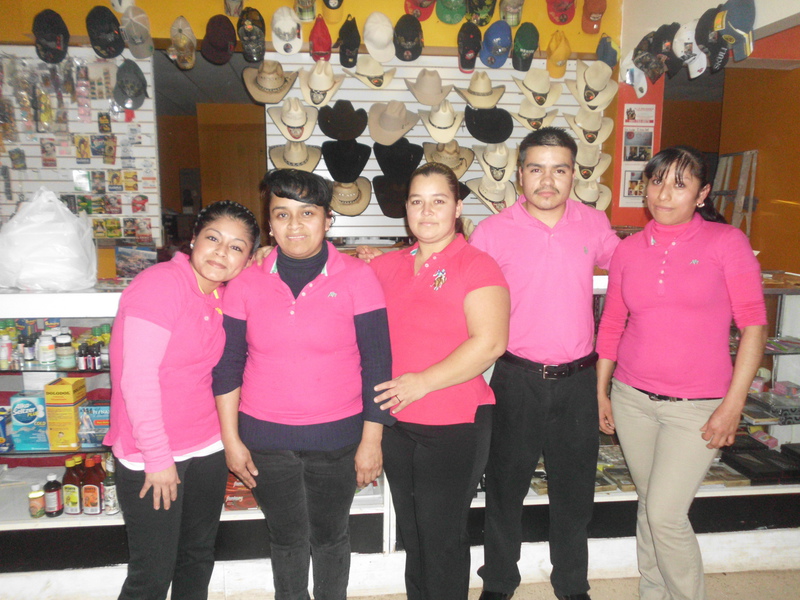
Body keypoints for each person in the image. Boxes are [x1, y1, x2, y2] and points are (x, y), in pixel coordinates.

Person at [212, 168, 395, 600]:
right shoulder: (245, 281)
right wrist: (231, 441)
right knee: (286, 539)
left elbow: (378, 364)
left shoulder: (358, 277)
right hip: (266, 441)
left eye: (307, 213)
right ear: (270, 223)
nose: (294, 225)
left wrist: (372, 441)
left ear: (328, 219)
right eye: (282, 214)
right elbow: (228, 365)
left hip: (338, 439)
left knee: (331, 537)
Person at [595, 146, 767, 600]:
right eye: (656, 182)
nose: (664, 194)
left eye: (679, 184)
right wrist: (602, 391)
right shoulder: (628, 250)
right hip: (632, 399)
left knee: (665, 514)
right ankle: (653, 592)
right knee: (649, 505)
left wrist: (733, 406)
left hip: (697, 407)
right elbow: (612, 323)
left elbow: (754, 325)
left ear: (702, 193)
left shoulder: (726, 242)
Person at [472, 127, 620, 600]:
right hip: (515, 377)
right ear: (520, 174)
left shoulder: (594, 223)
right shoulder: (492, 232)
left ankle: (572, 584)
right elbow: (455, 281)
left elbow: (630, 265)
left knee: (575, 495)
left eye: (559, 169)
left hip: (578, 381)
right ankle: (499, 582)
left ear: (574, 174)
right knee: (504, 490)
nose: (548, 180)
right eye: (536, 169)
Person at [365, 162, 510, 600]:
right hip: (397, 422)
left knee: (442, 538)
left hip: (454, 424)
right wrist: (266, 254)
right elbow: (328, 270)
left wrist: (422, 383)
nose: (426, 212)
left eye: (438, 201)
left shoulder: (478, 265)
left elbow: (490, 343)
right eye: (417, 201)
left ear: (458, 208)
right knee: (414, 535)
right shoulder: (386, 265)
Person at [104, 200, 260, 600]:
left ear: (246, 260)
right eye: (213, 239)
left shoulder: (220, 294)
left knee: (197, 557)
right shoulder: (160, 285)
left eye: (236, 247)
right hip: (152, 455)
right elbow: (136, 379)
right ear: (193, 239)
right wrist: (158, 458)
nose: (221, 253)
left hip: (207, 446)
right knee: (152, 575)